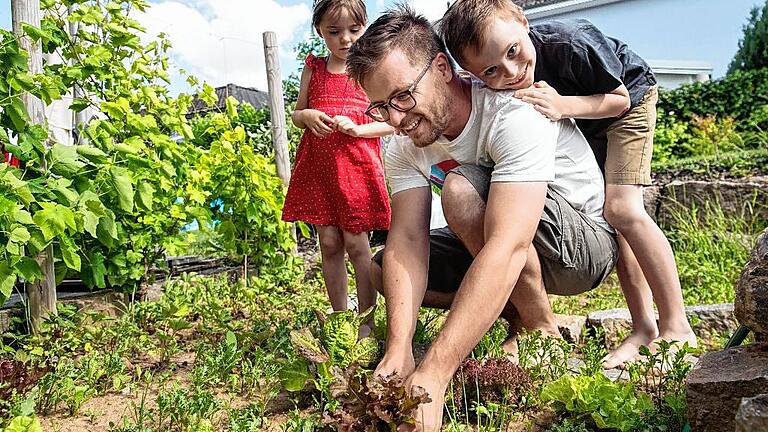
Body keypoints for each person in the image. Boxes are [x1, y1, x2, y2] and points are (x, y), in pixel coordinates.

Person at [346, 5, 617, 431]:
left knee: (460, 189)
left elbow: (509, 245)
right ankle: (513, 320)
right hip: (500, 237)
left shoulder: (513, 113)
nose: (395, 120)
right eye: (380, 107)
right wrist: (400, 348)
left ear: (441, 67)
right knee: (383, 267)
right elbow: (408, 240)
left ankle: (541, 331)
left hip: (582, 248)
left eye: (402, 96)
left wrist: (434, 373)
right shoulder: (401, 144)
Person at [438, 0, 696, 368]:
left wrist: (563, 105)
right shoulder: (493, 80)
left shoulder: (571, 42)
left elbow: (618, 100)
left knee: (622, 209)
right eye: (491, 71)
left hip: (625, 106)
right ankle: (643, 328)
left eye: (513, 52)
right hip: (579, 116)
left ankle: (677, 325)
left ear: (524, 22)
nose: (511, 71)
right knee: (614, 223)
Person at [282, 0, 392, 336]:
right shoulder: (313, 69)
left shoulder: (370, 72)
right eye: (334, 32)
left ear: (365, 28)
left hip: (356, 170)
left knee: (358, 245)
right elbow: (298, 114)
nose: (345, 39)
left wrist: (359, 128)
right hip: (320, 172)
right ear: (319, 32)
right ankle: (341, 319)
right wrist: (308, 116)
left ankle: (367, 324)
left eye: (354, 30)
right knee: (329, 243)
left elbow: (391, 122)